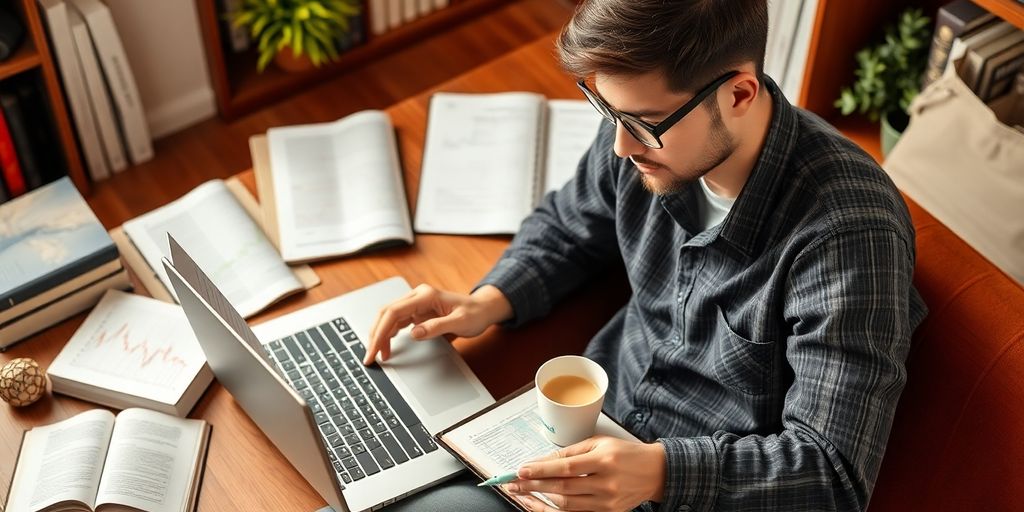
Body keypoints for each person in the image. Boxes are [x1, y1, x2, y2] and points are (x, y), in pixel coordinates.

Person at [367, 0, 928, 510]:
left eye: (642, 124)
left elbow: (832, 472)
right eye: (608, 111)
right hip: (572, 435)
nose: (620, 147)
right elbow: (568, 224)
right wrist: (486, 301)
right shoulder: (642, 129)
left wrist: (660, 473)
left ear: (738, 94)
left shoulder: (849, 234)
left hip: (684, 494)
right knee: (380, 482)